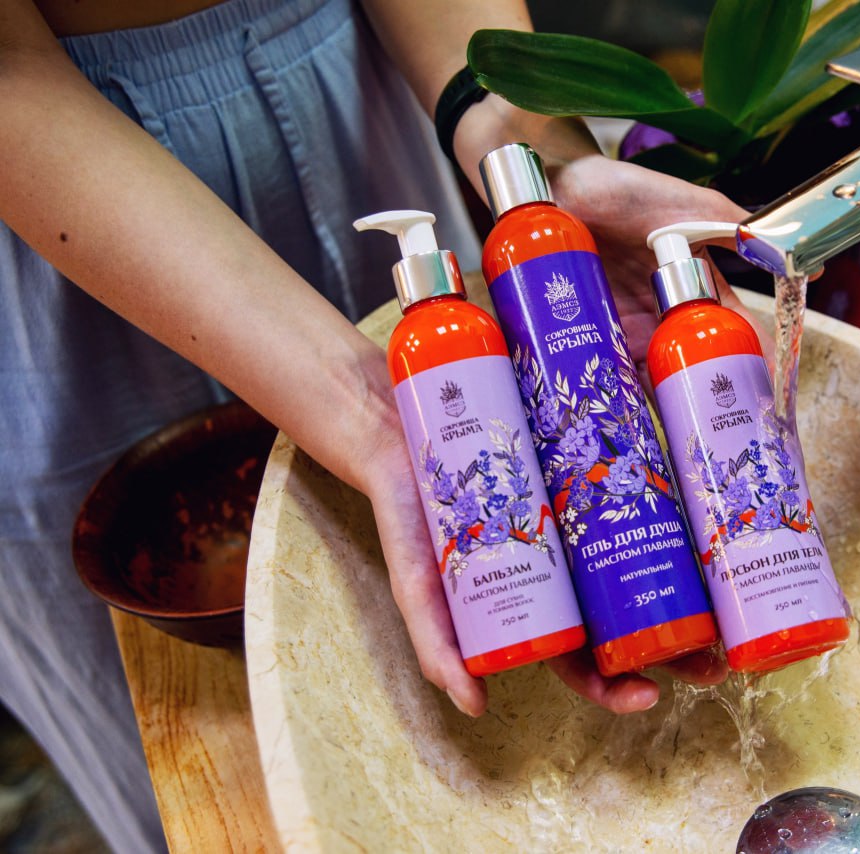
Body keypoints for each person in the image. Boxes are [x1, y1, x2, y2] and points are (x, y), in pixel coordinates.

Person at [0, 0, 759, 849]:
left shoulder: (527, 245)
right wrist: (368, 416)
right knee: (204, 771)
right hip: (72, 224)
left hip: (360, 107)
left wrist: (531, 153)